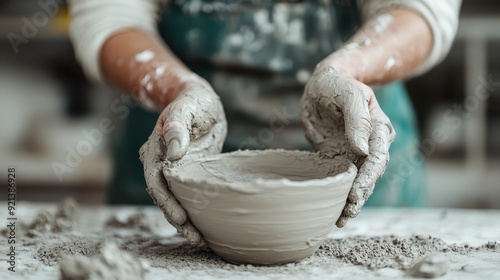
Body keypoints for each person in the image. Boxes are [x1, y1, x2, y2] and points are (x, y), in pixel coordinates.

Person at [68, 0, 461, 243]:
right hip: (184, 138)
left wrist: (349, 70)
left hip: (351, 132)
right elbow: (110, 14)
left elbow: (423, 8)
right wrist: (174, 88)